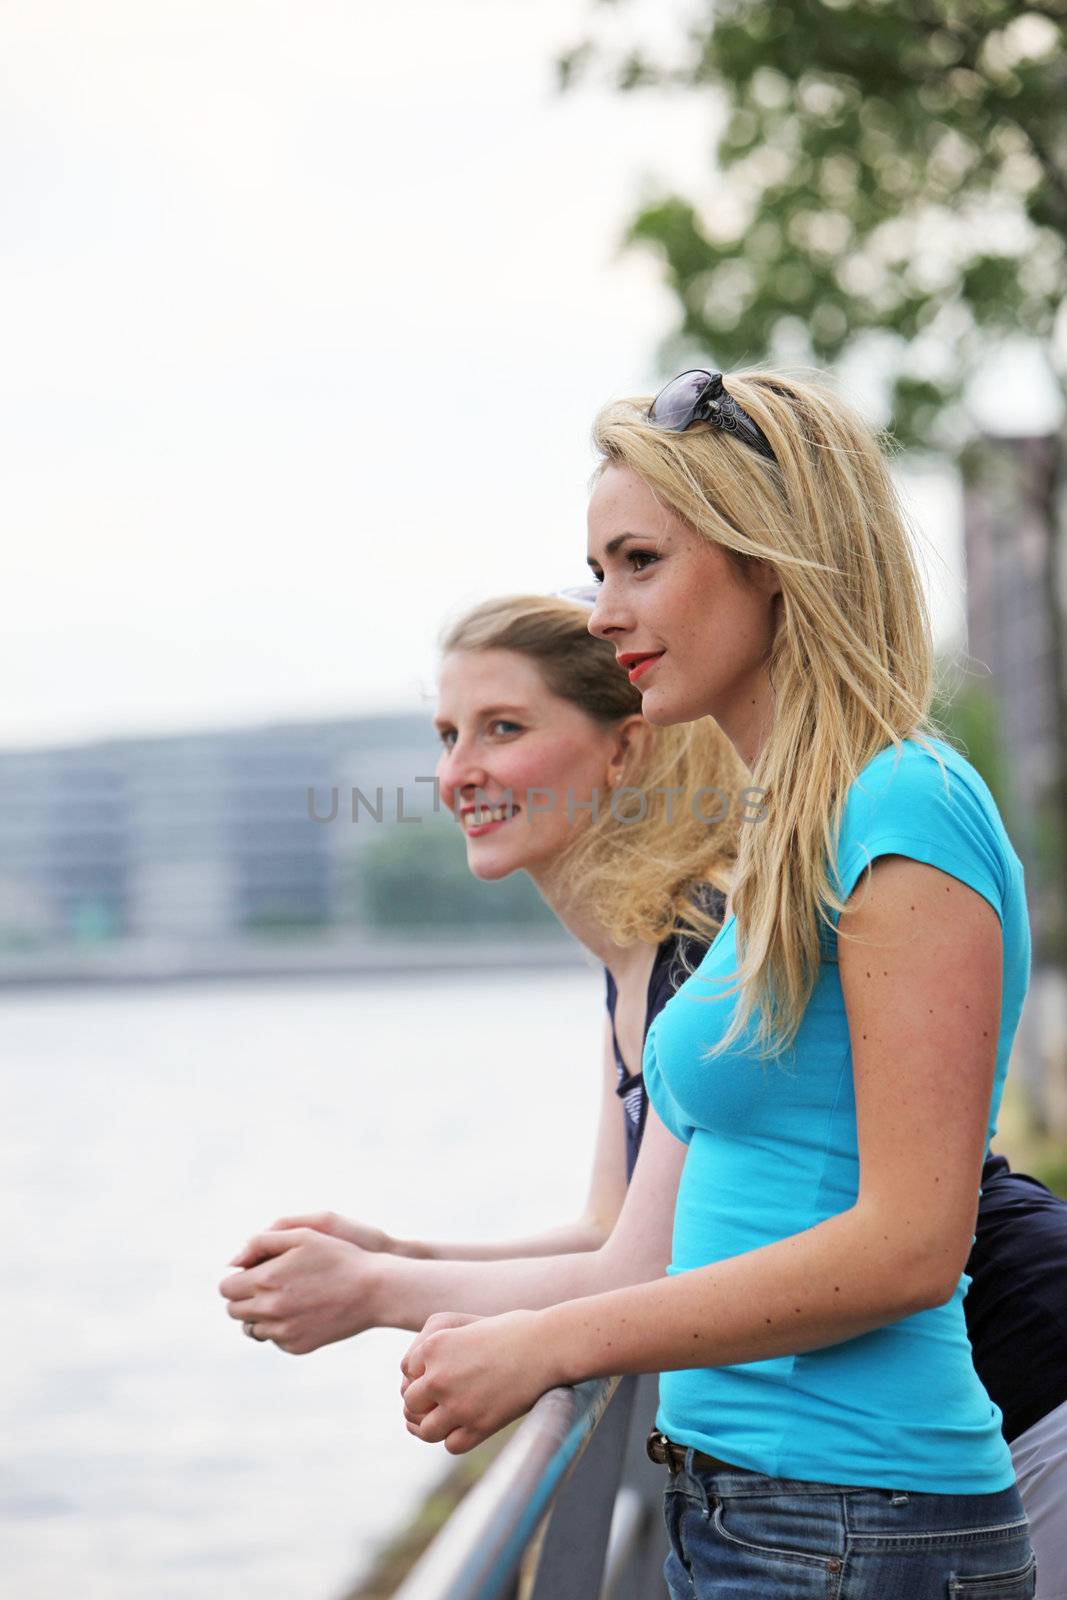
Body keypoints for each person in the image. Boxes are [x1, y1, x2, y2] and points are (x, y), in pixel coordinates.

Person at [219, 588, 1067, 1593]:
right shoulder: (641, 960)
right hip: (894, 1446)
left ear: (621, 753)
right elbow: (609, 1225)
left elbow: (637, 1270)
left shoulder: (699, 939)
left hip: (1015, 1384)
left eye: (502, 728)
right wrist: (403, 1249)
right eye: (446, 734)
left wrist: (375, 1294)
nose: (456, 774)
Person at [395, 370, 1050, 1597]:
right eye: (597, 568)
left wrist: (549, 1340)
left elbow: (911, 1246)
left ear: (770, 560)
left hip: (859, 1516)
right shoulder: (787, 832)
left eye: (639, 559)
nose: (601, 612)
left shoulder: (903, 805)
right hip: (754, 1507)